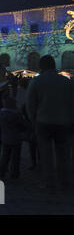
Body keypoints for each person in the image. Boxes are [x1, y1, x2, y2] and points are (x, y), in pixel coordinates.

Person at [26, 55, 73, 189]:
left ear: (41, 66)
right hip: (64, 122)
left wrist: (32, 119)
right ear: (54, 66)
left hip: (43, 121)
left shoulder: (37, 81)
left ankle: (49, 182)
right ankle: (65, 181)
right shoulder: (66, 81)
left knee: (46, 155)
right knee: (64, 154)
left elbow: (30, 103)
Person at [0, 97, 25, 179]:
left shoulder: (1, 113)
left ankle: (1, 172)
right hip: (16, 139)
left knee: (5, 156)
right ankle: (14, 173)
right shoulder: (16, 115)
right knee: (15, 157)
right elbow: (22, 126)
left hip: (5, 138)